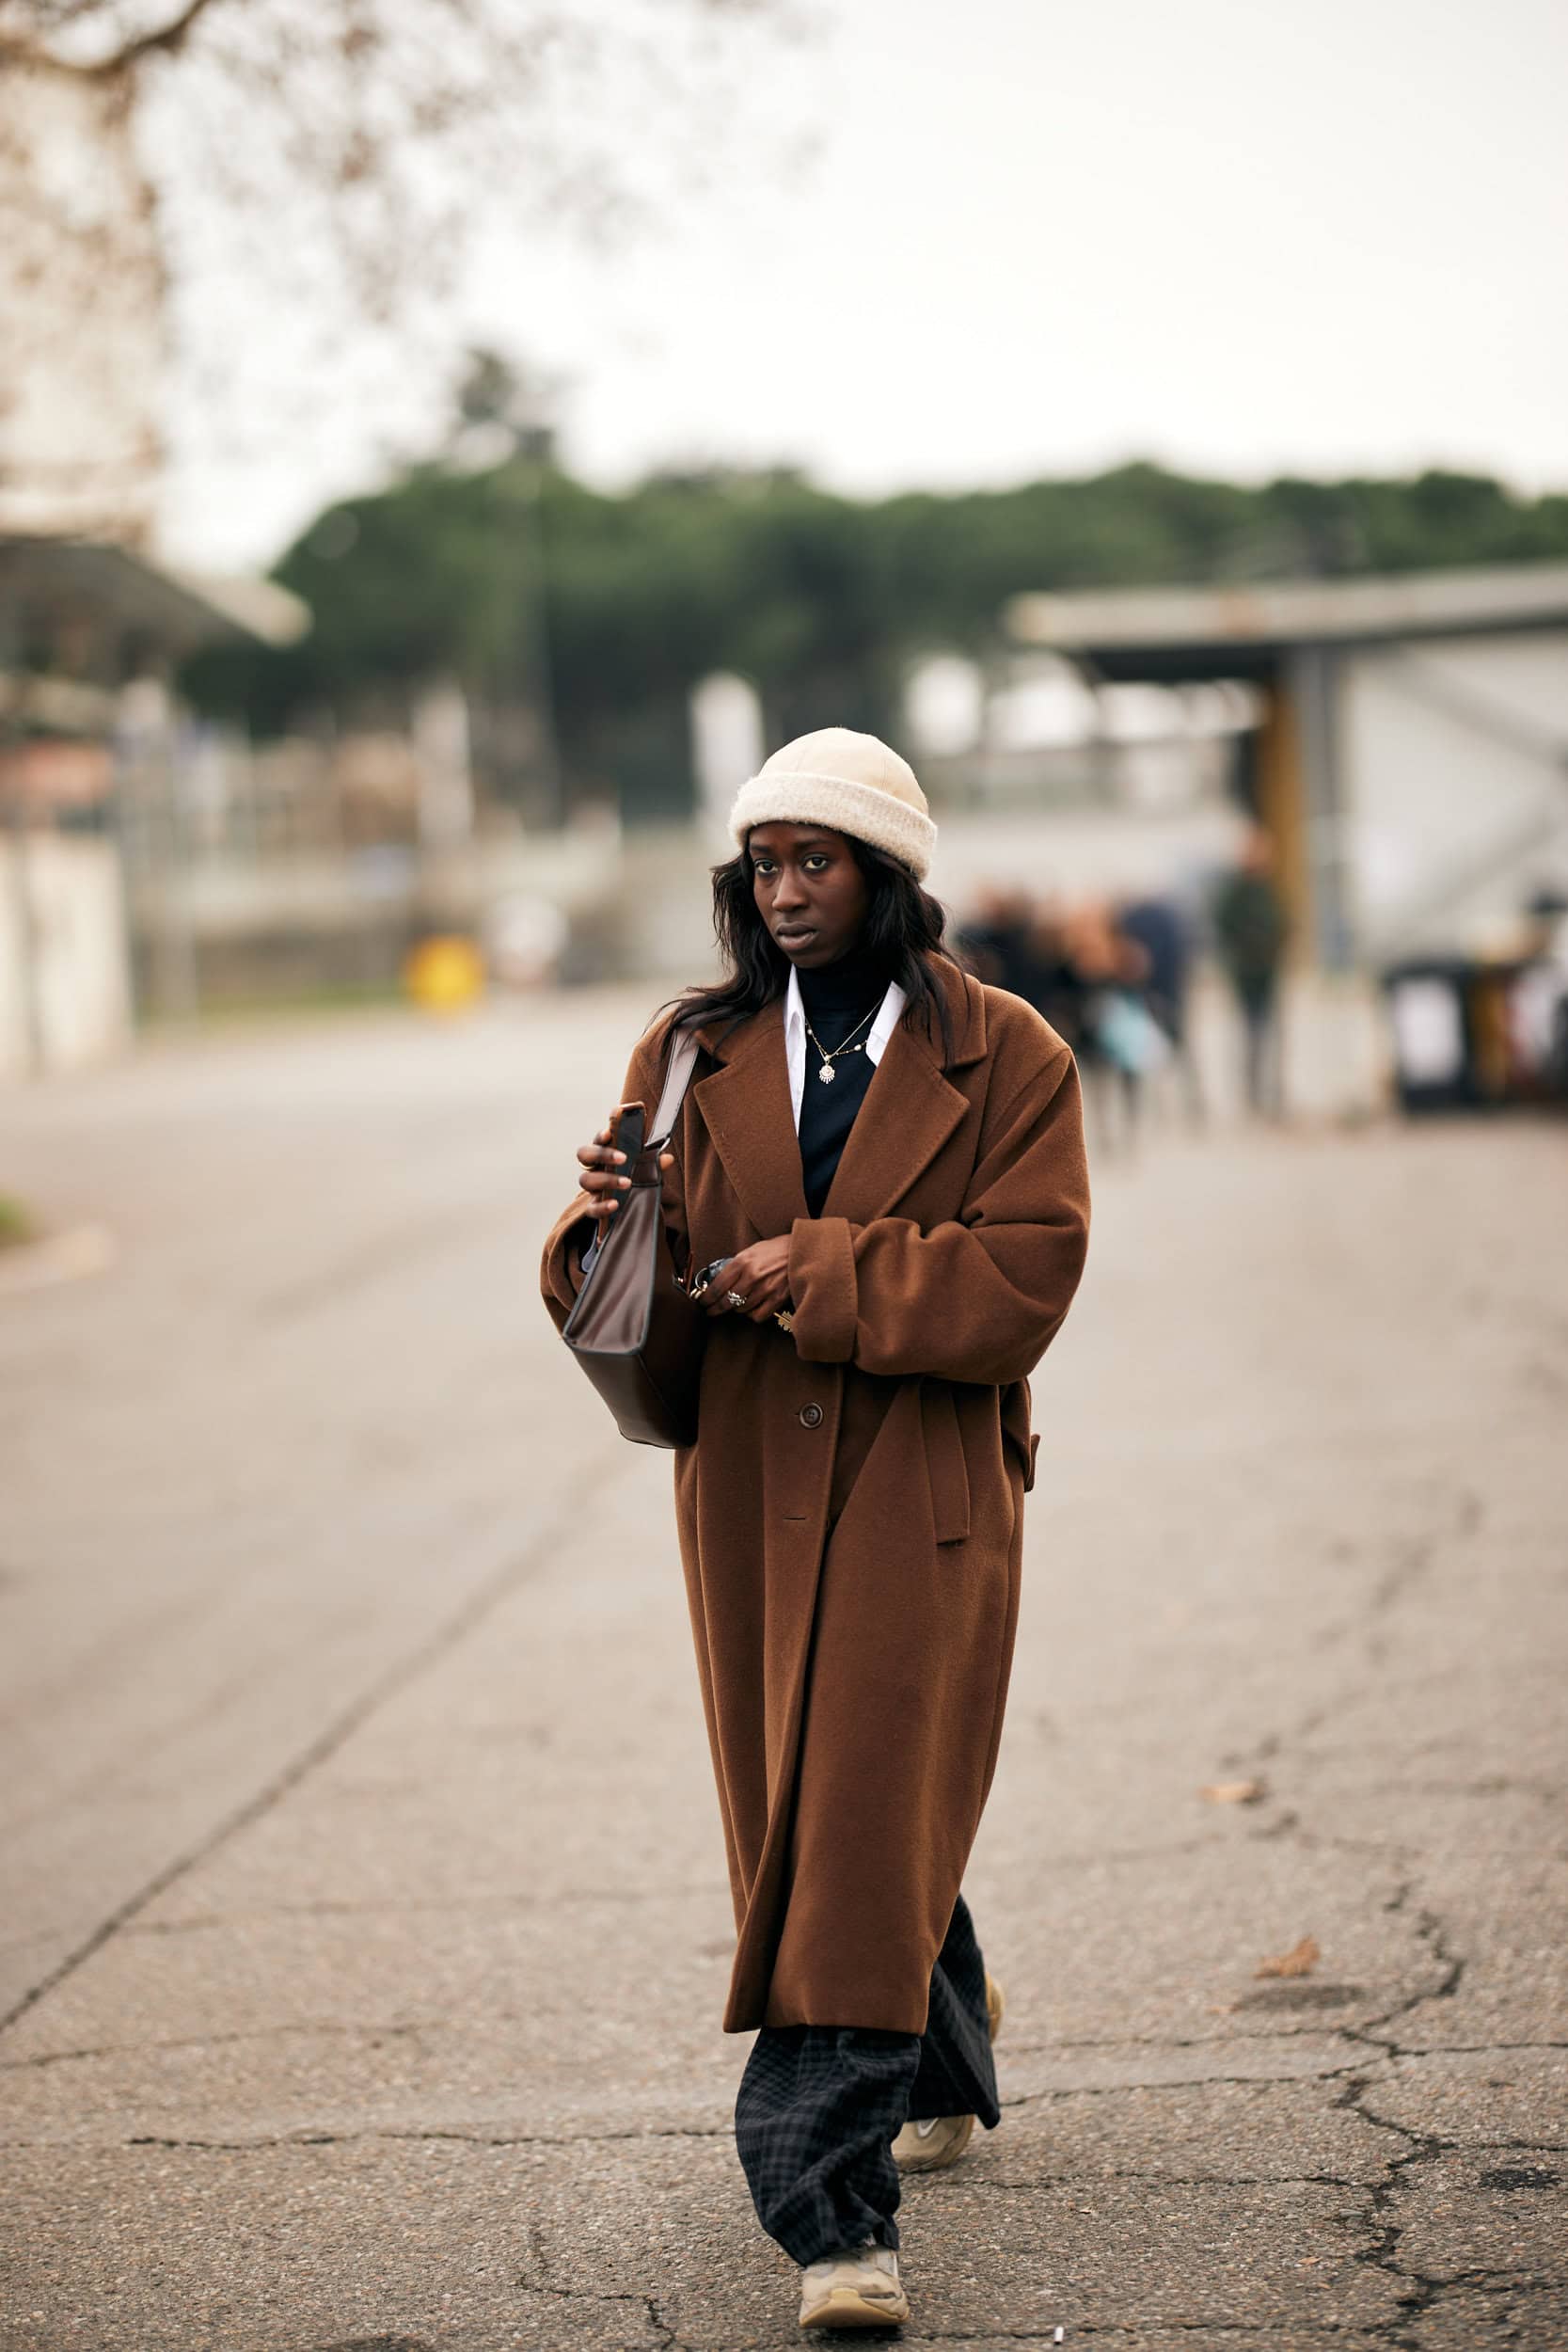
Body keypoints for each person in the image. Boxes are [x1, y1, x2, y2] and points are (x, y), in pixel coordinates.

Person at [541, 728, 1091, 2333]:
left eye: (815, 863)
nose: (783, 893)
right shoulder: (689, 1042)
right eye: (762, 866)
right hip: (746, 1497)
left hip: (921, 1473)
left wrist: (825, 1271)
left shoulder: (1012, 1054)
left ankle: (832, 2218)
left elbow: (1026, 1278)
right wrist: (602, 1219)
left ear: (884, 876)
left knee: (850, 1803)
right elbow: (631, 1295)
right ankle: (941, 2018)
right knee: (831, 1798)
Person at [1212, 827, 1289, 1116]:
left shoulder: (1266, 887)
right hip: (1248, 976)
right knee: (1252, 1035)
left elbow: (1279, 921)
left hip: (1269, 973)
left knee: (1273, 1035)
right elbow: (1224, 926)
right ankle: (1253, 1095)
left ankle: (1274, 1093)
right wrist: (1244, 953)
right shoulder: (1236, 890)